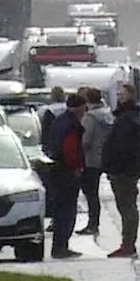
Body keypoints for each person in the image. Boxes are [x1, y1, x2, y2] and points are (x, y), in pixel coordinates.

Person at [103, 83, 140, 258]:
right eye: (119, 94)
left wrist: (115, 166)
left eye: (123, 95)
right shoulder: (128, 117)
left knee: (127, 207)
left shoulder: (126, 120)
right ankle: (128, 242)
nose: (120, 97)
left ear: (130, 96)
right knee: (127, 207)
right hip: (127, 170)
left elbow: (123, 147)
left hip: (123, 172)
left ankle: (128, 243)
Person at [46, 93, 87, 259]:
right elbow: (69, 149)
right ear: (79, 108)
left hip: (56, 171)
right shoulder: (72, 126)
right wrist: (77, 166)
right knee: (67, 211)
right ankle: (61, 246)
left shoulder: (59, 121)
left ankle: (59, 244)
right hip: (67, 173)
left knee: (59, 210)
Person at [78, 86, 114, 236]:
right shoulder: (107, 114)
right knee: (94, 192)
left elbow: (85, 139)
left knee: (90, 193)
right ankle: (94, 222)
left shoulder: (90, 117)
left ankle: (93, 223)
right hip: (104, 157)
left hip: (90, 159)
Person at [39, 85, 68, 231]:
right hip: (69, 155)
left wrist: (46, 152)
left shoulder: (49, 111)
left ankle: (55, 221)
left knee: (53, 190)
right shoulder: (68, 110)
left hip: (55, 155)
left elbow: (45, 135)